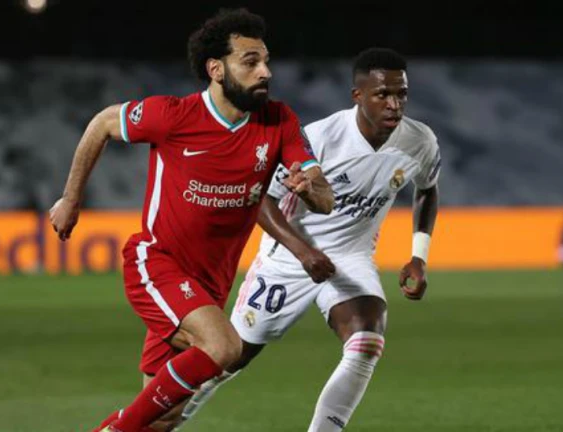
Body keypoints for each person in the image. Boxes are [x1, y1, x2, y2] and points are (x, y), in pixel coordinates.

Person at [47, 8, 334, 432]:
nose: (265, 72)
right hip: (157, 264)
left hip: (210, 285)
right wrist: (71, 199)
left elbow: (325, 198)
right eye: (250, 61)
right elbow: (103, 122)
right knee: (224, 346)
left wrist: (310, 189)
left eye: (266, 60)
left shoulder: (279, 121)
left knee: (161, 421)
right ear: (216, 69)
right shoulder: (174, 116)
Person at [172, 47, 441, 431]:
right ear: (358, 96)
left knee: (367, 342)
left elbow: (427, 189)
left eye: (402, 94)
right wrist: (303, 253)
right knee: (227, 358)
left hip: (350, 256)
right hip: (288, 258)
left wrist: (419, 255)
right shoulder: (319, 139)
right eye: (383, 94)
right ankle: (157, 422)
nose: (394, 104)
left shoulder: (419, 141)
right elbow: (260, 200)